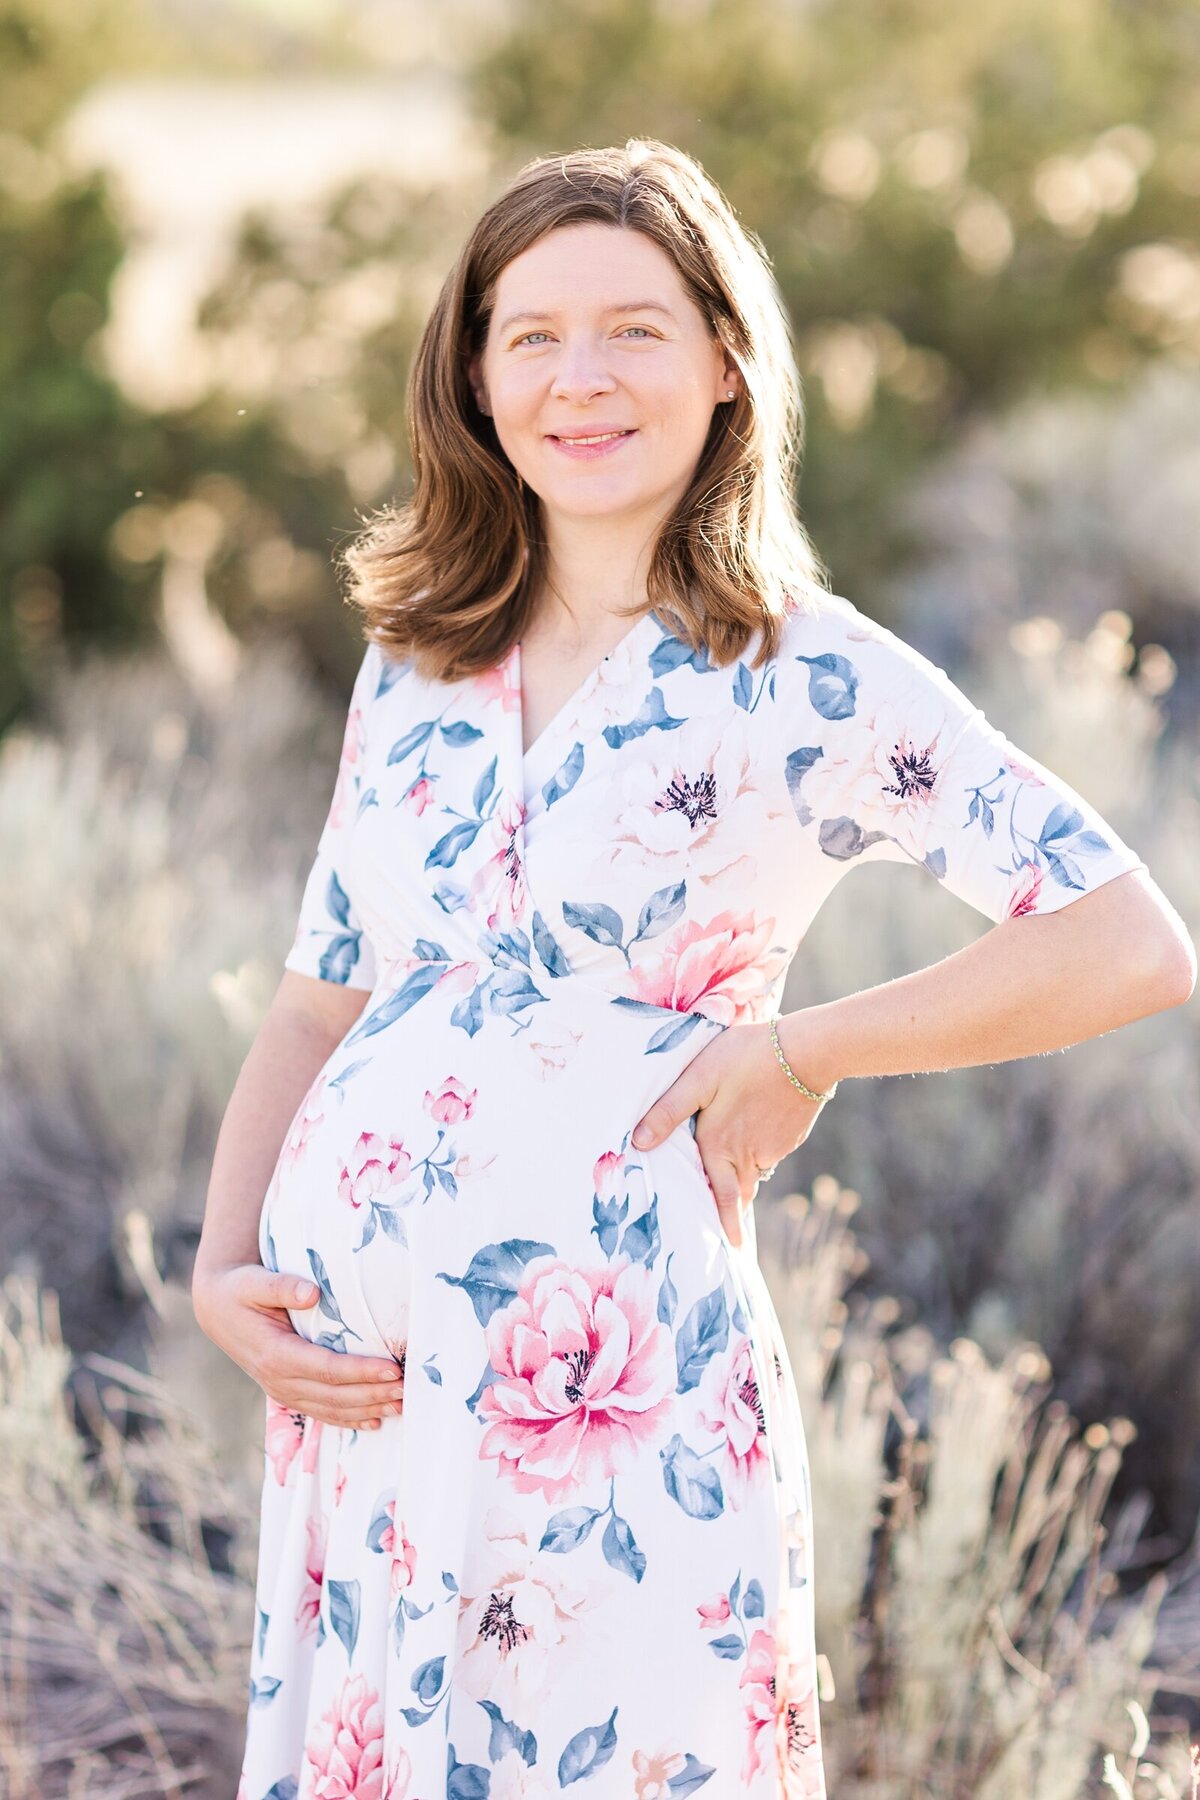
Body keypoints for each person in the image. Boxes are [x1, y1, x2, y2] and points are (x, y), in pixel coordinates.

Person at [193, 138, 1194, 1800]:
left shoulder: (806, 673)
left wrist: (801, 1055)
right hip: (371, 1422)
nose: (580, 379)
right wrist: (228, 1272)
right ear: (474, 376)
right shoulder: (421, 658)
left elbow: (1128, 940)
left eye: (636, 330)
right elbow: (319, 996)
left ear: (728, 362)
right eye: (532, 337)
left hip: (618, 1413)